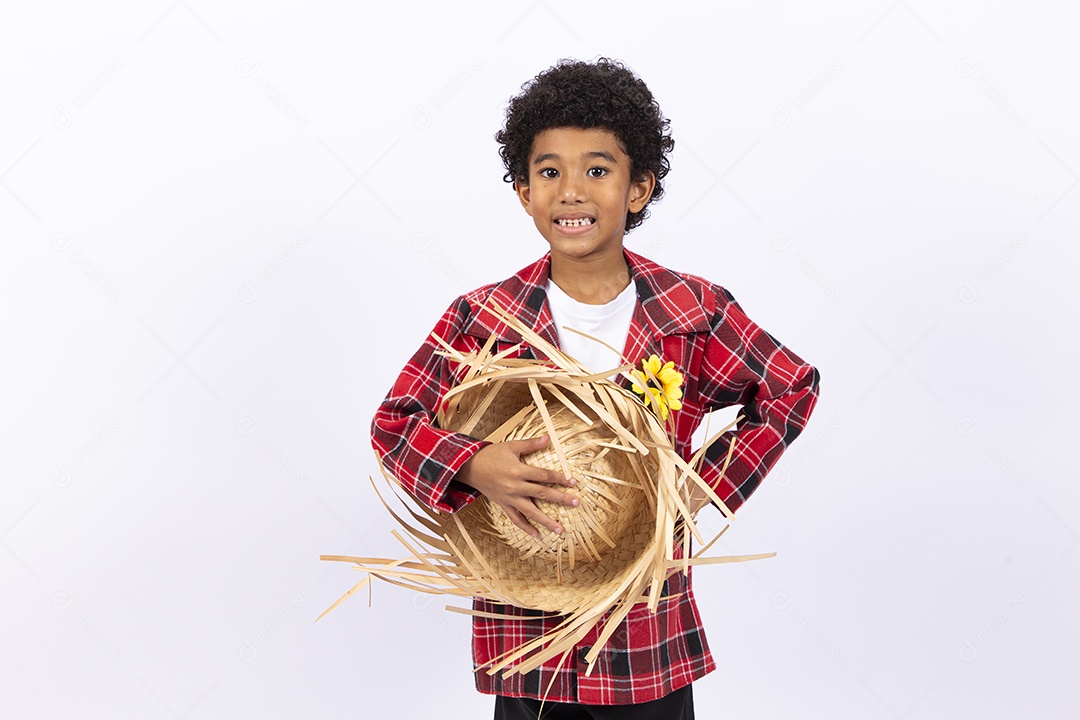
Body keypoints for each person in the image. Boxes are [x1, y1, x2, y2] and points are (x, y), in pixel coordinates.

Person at [371, 58, 820, 719]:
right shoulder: (484, 318)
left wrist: (696, 487)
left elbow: (790, 388)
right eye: (550, 172)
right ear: (523, 192)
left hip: (644, 635)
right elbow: (395, 423)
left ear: (639, 188)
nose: (571, 192)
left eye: (598, 170)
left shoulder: (691, 311)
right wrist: (473, 464)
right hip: (528, 637)